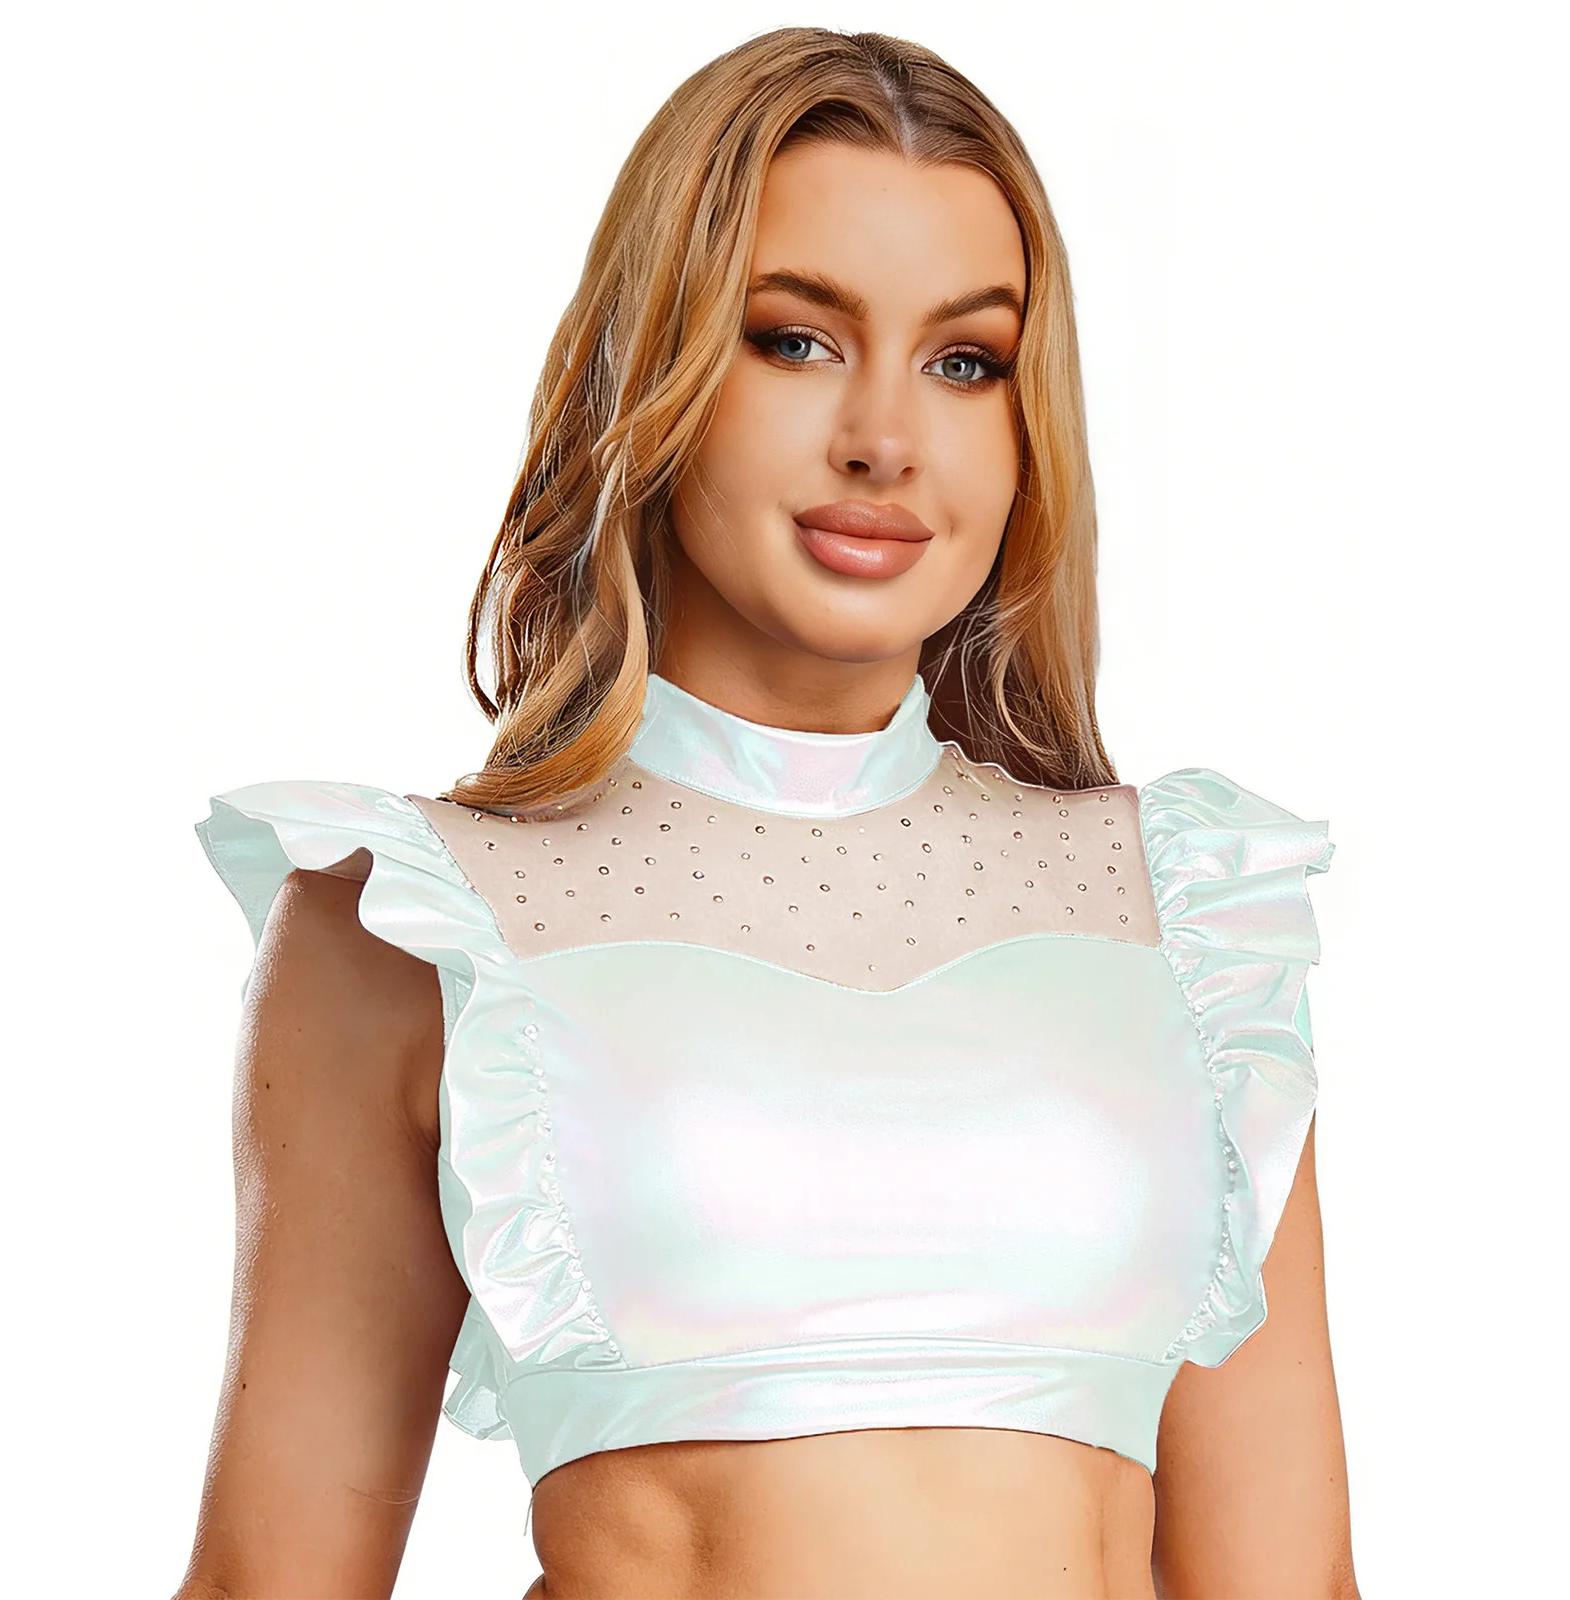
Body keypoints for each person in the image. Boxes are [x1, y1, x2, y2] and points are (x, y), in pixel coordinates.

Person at [175, 26, 1360, 1600]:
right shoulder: (409, 921)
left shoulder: (1185, 918)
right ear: (650, 369)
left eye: (965, 361)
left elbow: (1290, 1585)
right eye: (795, 340)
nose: (884, 439)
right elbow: (269, 1585)